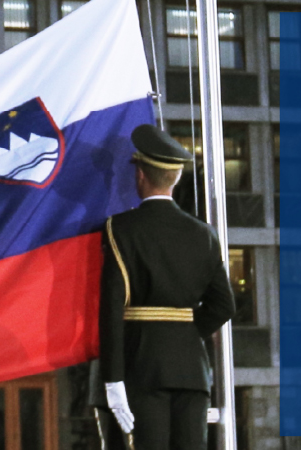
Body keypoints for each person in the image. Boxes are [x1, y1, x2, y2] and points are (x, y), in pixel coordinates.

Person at [98, 124, 235, 450]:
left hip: (141, 368)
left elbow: (111, 307)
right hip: (192, 371)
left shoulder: (121, 229)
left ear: (140, 176)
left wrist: (113, 379)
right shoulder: (204, 234)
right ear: (174, 179)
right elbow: (224, 306)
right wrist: (182, 333)